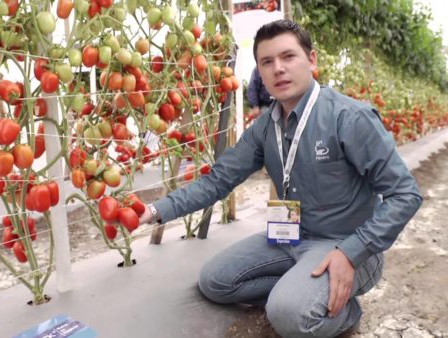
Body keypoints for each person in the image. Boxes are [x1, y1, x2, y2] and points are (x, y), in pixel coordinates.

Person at [140, 20, 422, 337]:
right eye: (267, 62)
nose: (278, 69)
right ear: (260, 71)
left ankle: (342, 310)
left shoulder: (349, 118)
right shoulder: (264, 128)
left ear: (311, 60)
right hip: (289, 238)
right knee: (215, 281)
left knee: (289, 317)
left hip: (345, 246)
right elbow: (218, 181)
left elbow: (405, 195)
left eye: (288, 57)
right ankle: (302, 290)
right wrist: (154, 212)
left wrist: (351, 252)